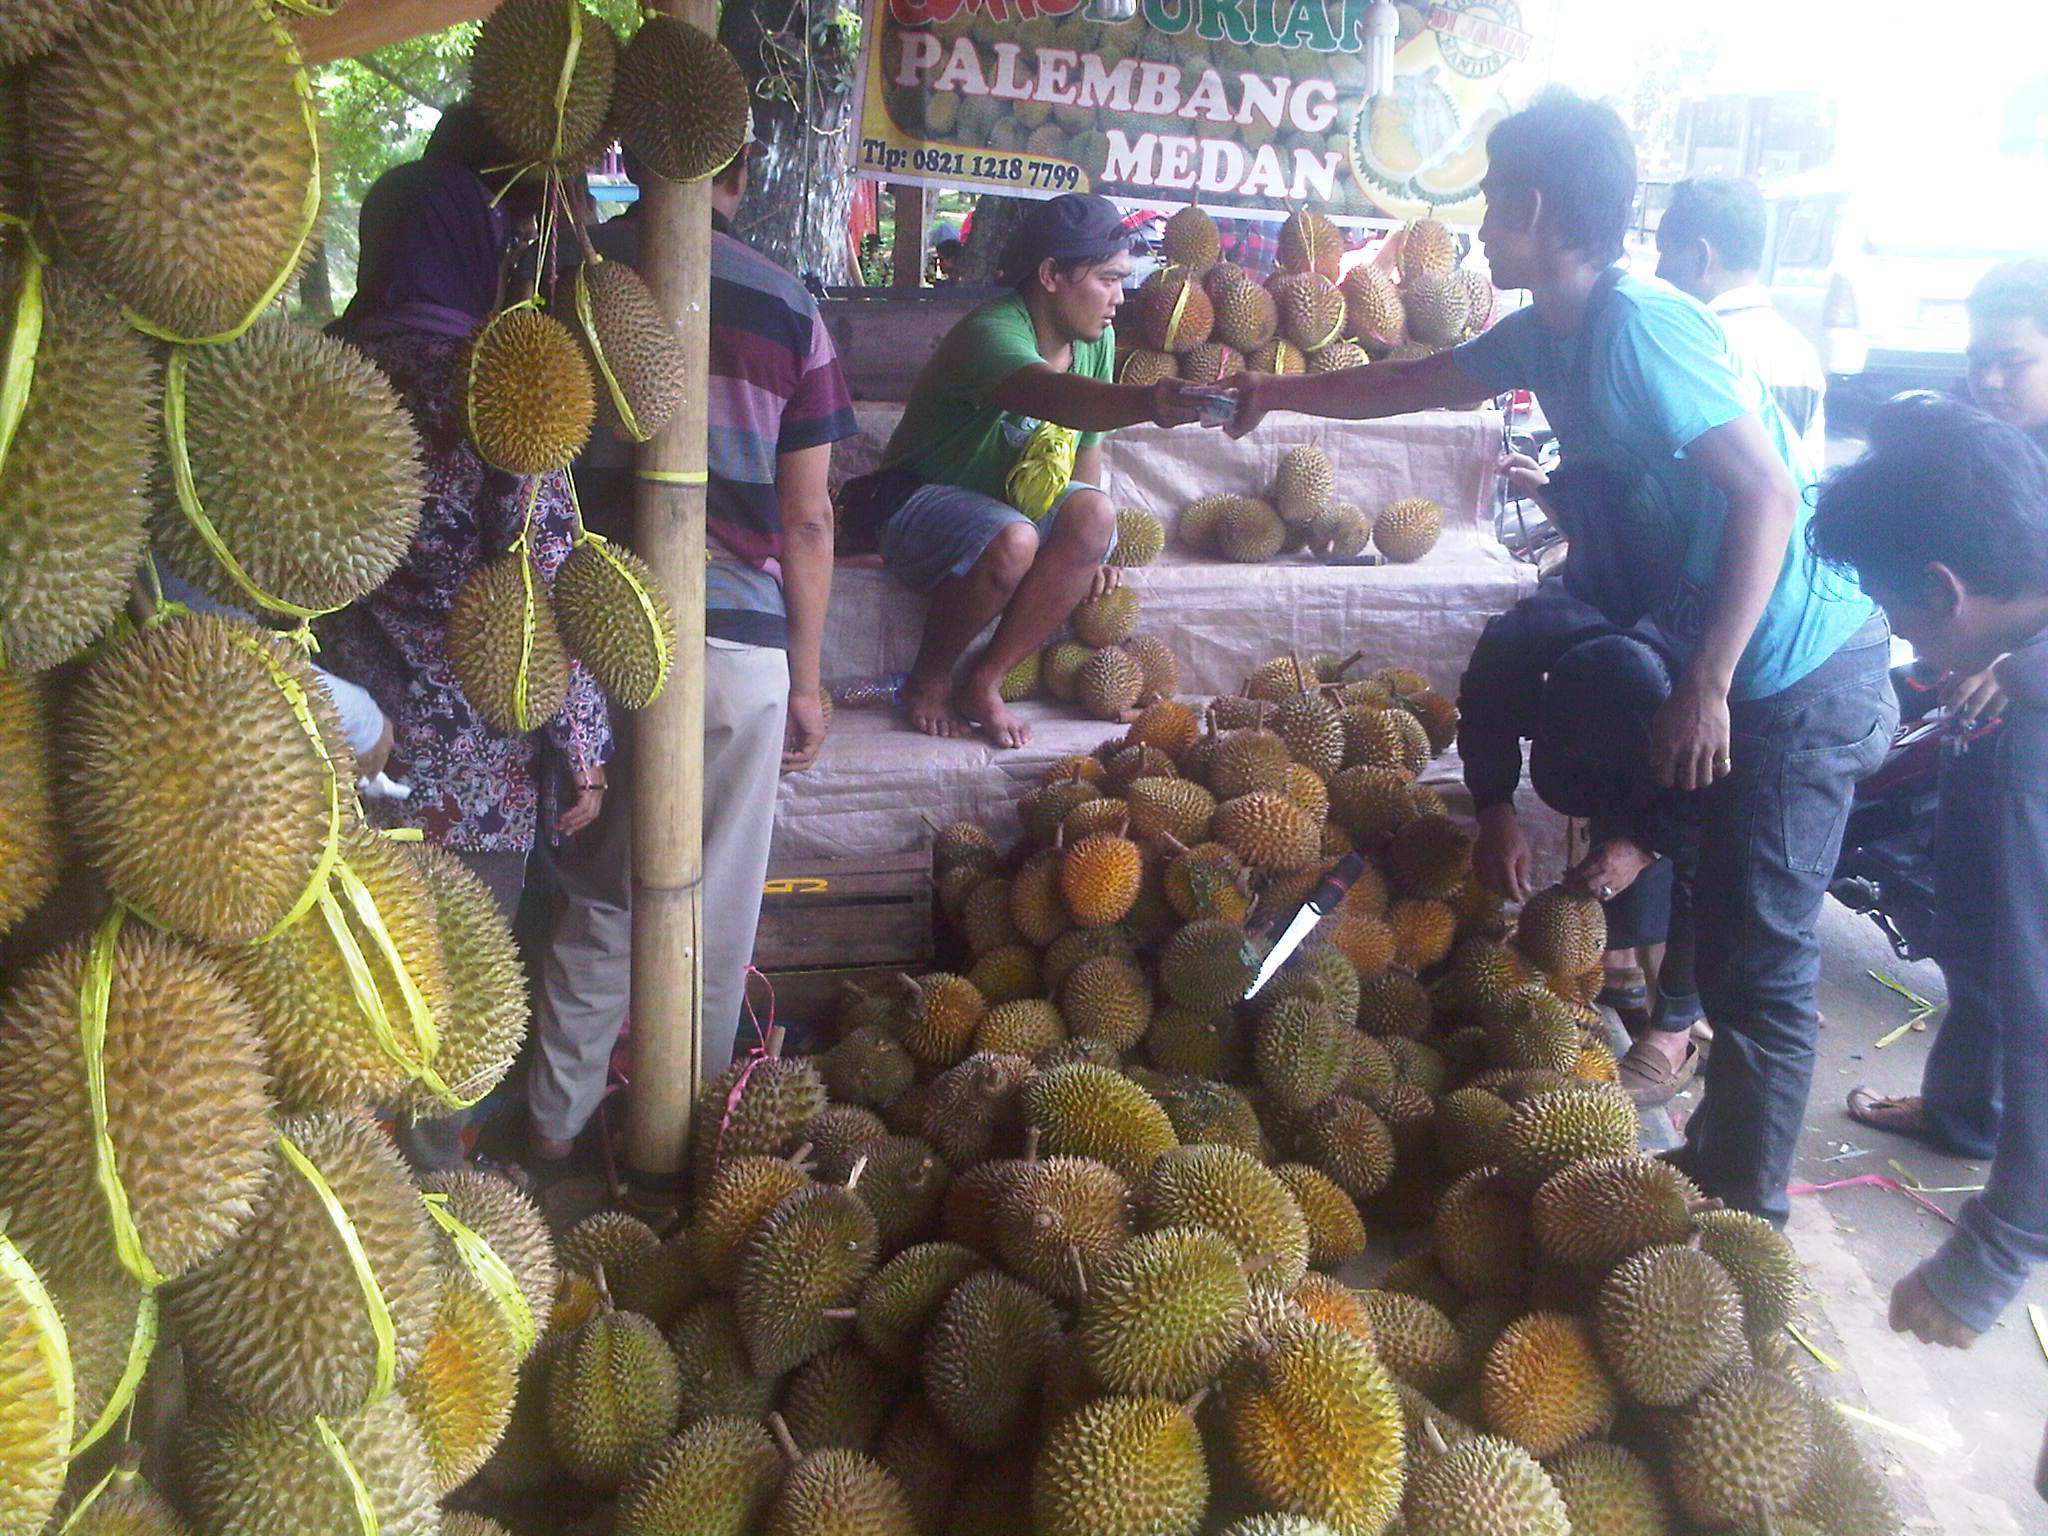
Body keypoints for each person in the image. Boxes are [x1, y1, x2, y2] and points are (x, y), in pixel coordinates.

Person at [1222, 89, 1896, 1224]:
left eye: (1491, 198)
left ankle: (1748, 1214)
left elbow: (1766, 493)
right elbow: (1399, 383)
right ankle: (1718, 1171)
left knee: (1761, 955)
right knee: (1726, 929)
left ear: (1534, 205)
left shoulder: (1645, 324)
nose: (1481, 222)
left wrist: (1703, 683)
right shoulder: (1547, 332)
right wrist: (1270, 394)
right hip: (1716, 658)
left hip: (1795, 664)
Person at [524, 142, 854, 1170]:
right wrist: (805, 680)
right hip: (739, 648)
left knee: (599, 900)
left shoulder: (566, 285)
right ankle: (690, 1150)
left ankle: (549, 1130)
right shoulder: (786, 305)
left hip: (592, 636)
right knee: (712, 917)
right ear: (742, 174)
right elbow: (806, 522)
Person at [319, 157, 612, 1168]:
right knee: (455, 998)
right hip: (472, 771)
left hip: (328, 748)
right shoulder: (494, 386)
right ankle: (433, 1201)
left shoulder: (310, 373)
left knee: (350, 988)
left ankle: (354, 1184)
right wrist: (579, 747)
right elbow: (545, 568)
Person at [1806, 394, 2048, 1349]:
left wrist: (1996, 1246)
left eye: (1893, 602)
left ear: (1942, 589)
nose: (1901, 636)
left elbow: (2040, 1003)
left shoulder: (2032, 748)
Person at [849, 192, 1201, 748]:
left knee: (1094, 514)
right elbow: (1056, 398)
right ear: (1051, 275)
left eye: (1123, 280)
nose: (1119, 298)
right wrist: (1149, 403)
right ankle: (928, 679)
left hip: (1009, 513)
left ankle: (983, 682)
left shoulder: (1098, 339)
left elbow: (1088, 447)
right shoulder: (991, 333)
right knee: (1012, 540)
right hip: (914, 505)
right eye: (1107, 280)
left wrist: (1093, 551)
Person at [1845, 261, 2048, 1156]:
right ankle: (1964, 1109)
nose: (1992, 380)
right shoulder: (1985, 445)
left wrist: (2024, 667)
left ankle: (1992, 1134)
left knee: (2014, 952)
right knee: (1975, 931)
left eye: (2013, 360)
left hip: (2019, 731)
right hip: (1977, 722)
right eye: (1980, 362)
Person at [1656, 177, 1829, 466]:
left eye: (1666, 251)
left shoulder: (1689, 348)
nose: (1659, 271)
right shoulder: (1801, 354)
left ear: (1701, 256)